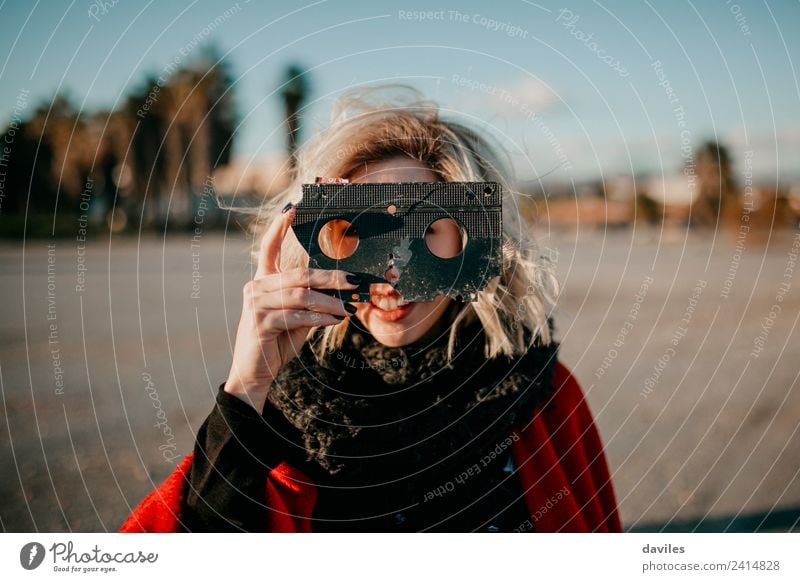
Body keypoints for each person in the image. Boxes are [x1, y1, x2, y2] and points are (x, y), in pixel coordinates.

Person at [120, 85, 622, 533]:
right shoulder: (289, 411)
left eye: (425, 232)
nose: (391, 275)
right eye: (357, 232)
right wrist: (248, 388)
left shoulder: (535, 392)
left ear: (467, 238)